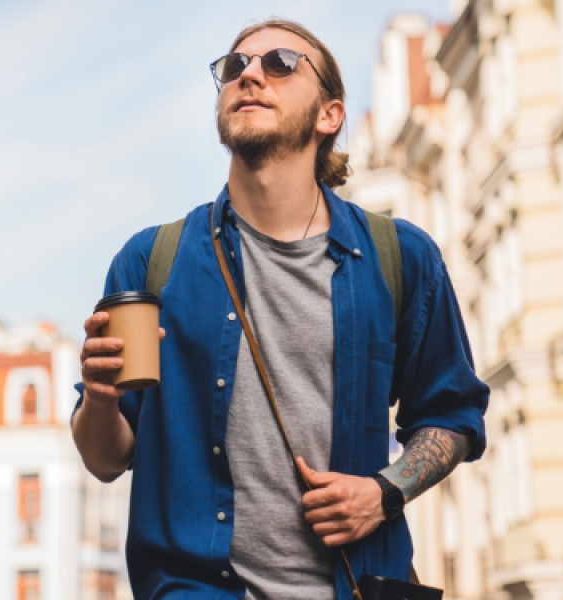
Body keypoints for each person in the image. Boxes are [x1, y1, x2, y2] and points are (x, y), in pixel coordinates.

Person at [72, 19, 488, 599]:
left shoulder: (401, 257)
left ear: (329, 115)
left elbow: (454, 414)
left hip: (357, 585)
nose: (249, 75)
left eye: (280, 64)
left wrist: (384, 492)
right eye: (234, 66)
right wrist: (98, 395)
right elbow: (106, 459)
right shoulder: (151, 262)